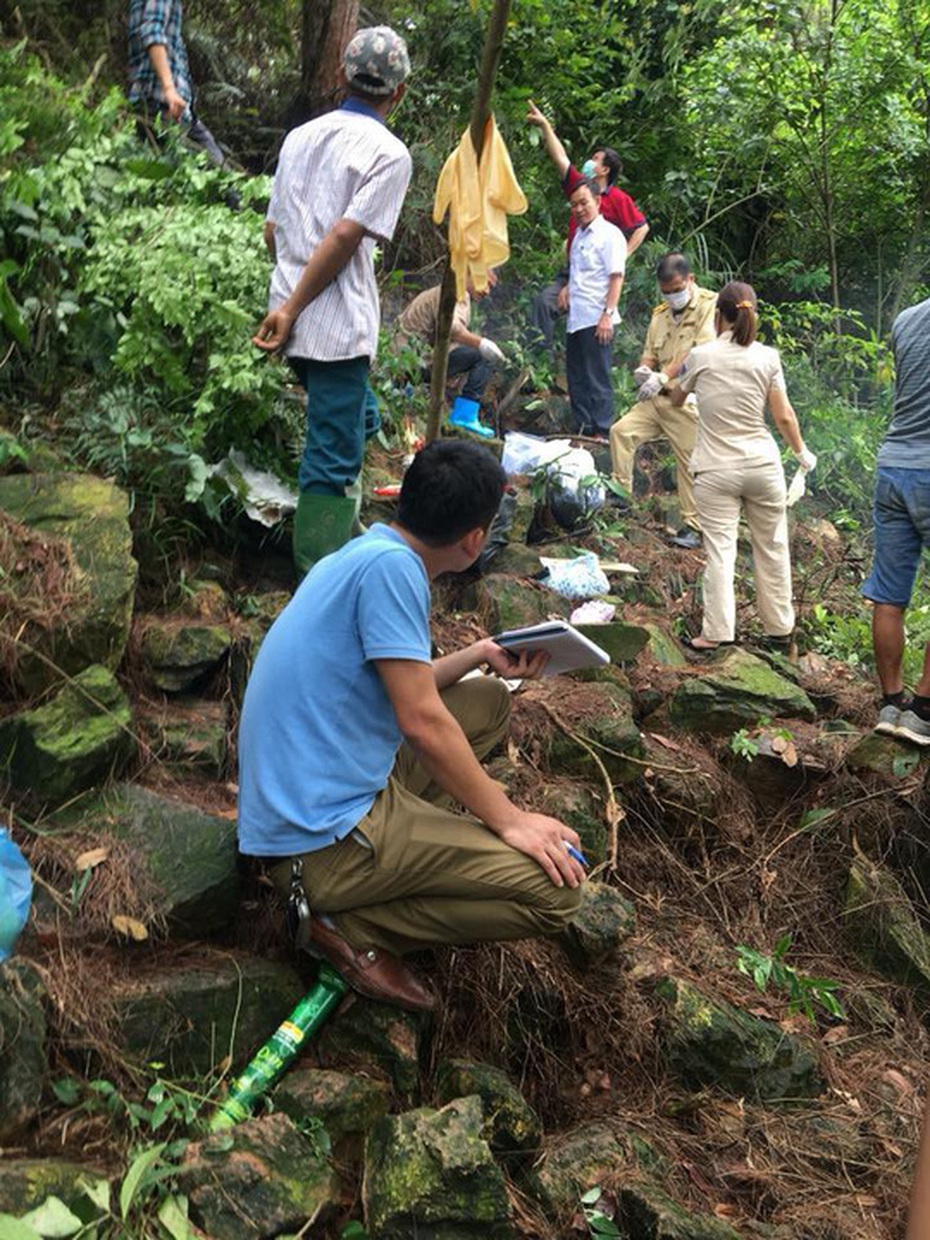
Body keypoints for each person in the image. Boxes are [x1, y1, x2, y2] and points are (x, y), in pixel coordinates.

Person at [237, 439, 585, 1012]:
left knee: (486, 701)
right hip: (322, 841)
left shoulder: (370, 552)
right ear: (475, 539)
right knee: (557, 891)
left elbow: (406, 683)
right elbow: (420, 720)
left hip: (309, 794)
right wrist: (511, 821)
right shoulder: (395, 572)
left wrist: (477, 653)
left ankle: (405, 852)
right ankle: (352, 926)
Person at [253, 26, 413, 578]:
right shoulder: (389, 153)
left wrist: (286, 303)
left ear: (342, 76)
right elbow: (346, 237)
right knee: (332, 456)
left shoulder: (300, 137)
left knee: (357, 418)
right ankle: (316, 579)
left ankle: (340, 529)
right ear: (399, 93)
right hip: (334, 327)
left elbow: (273, 231)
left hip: (291, 318)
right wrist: (297, 306)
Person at [670, 281, 816, 650]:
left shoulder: (701, 355)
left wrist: (660, 383)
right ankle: (780, 632)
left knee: (721, 550)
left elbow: (675, 398)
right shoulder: (768, 356)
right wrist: (801, 453)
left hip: (716, 469)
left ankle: (716, 634)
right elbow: (783, 416)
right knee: (772, 546)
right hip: (763, 466)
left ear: (718, 315)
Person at [525, 101, 648, 365]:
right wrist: (546, 125)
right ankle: (539, 366)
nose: (589, 162)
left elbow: (642, 227)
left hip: (598, 276)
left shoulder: (617, 198)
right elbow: (560, 158)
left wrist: (622, 255)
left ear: (605, 169)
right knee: (544, 303)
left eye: (595, 159)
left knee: (587, 328)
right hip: (573, 268)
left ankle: (564, 371)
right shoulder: (581, 185)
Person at [609, 253, 718, 550]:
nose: (672, 296)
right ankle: (621, 496)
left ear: (690, 280)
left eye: (677, 289)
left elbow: (698, 354)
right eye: (666, 292)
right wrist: (645, 372)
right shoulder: (660, 314)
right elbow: (650, 352)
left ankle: (694, 527)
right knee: (620, 432)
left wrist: (663, 375)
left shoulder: (710, 306)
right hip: (656, 397)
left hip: (685, 400)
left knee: (690, 462)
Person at [861, 294, 930, 744]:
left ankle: (892, 704)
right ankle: (924, 711)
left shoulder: (905, 319)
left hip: (893, 465)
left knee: (889, 594)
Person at [395, 274, 504, 439]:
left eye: (491, 287)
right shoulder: (455, 293)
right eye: (485, 283)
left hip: (407, 362)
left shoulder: (454, 293)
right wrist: (482, 344)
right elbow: (451, 329)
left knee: (473, 354)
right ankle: (464, 416)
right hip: (410, 364)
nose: (487, 291)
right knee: (483, 356)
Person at [128, 0, 226, 166]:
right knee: (220, 177)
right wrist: (169, 89)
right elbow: (152, 31)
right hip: (164, 105)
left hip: (160, 103)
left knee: (217, 173)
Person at [563, 178, 625, 438]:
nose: (578, 209)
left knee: (597, 377)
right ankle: (583, 429)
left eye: (584, 203)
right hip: (576, 317)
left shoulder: (610, 234)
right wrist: (566, 288)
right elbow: (578, 273)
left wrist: (607, 315)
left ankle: (602, 430)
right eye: (574, 204)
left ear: (598, 201)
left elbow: (616, 276)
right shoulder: (577, 235)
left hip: (597, 317)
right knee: (576, 376)